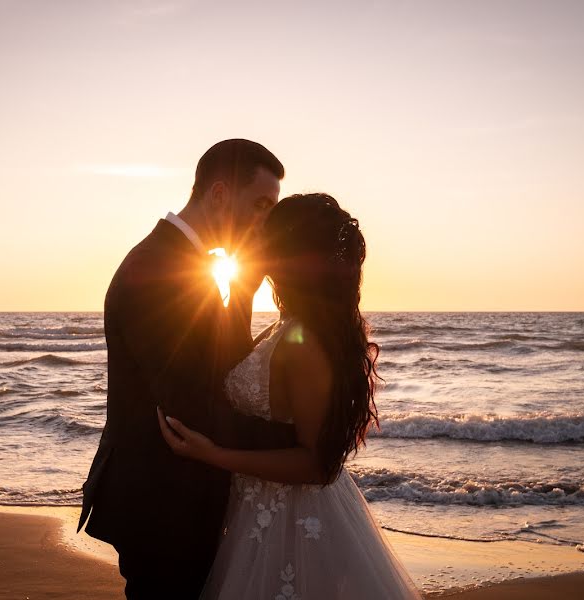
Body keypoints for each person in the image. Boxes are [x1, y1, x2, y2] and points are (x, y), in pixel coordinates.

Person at [158, 193, 423, 599]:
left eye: (268, 235)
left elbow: (316, 464)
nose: (255, 239)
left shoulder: (303, 343)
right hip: (258, 510)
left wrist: (211, 454)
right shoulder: (288, 327)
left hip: (293, 520)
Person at [78, 139, 297, 599]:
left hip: (174, 496)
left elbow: (222, 369)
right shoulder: (160, 270)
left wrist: (243, 291)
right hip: (161, 503)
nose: (265, 221)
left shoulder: (186, 263)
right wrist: (297, 445)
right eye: (259, 204)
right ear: (218, 194)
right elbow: (191, 406)